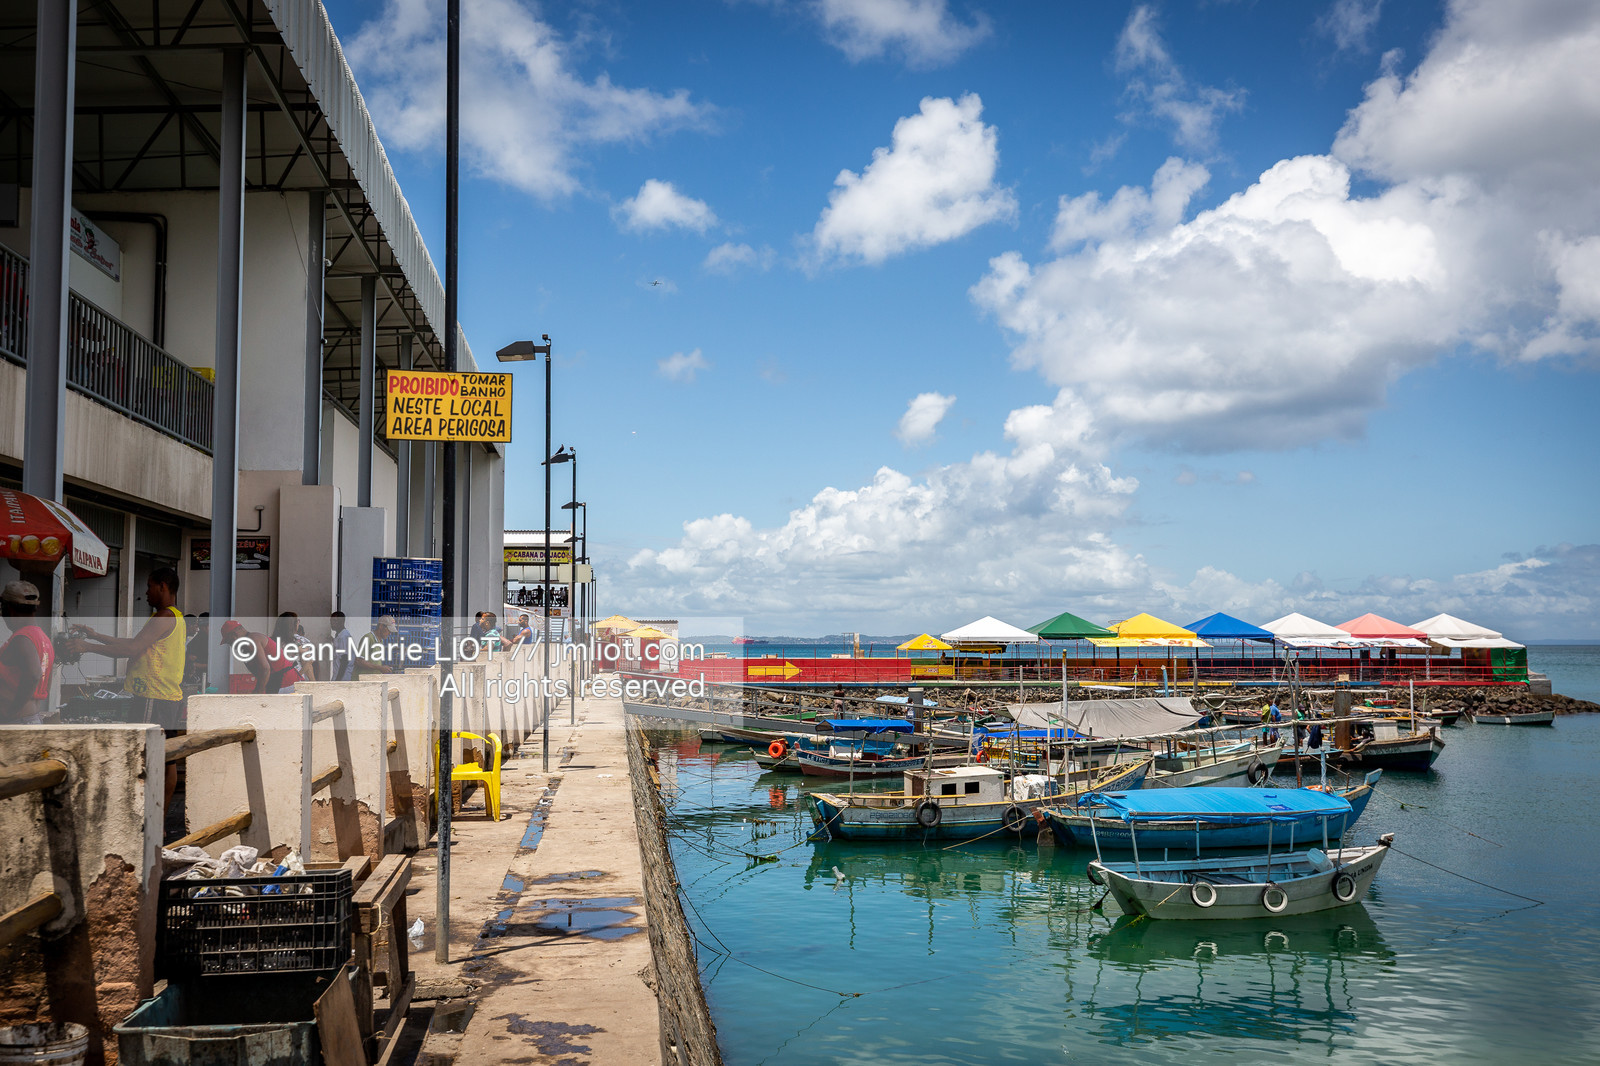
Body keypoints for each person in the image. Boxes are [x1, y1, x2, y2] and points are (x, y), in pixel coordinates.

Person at [72, 567, 186, 804]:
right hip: (167, 697)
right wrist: (94, 636)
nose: (145, 593)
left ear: (162, 587)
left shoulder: (164, 617)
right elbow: (135, 643)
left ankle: (152, 821)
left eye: (149, 586)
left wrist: (87, 647)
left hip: (152, 697)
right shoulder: (175, 616)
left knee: (148, 758)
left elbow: (131, 649)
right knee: (167, 760)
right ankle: (159, 825)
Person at [0, 581, 54, 724]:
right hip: (28, 718)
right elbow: (46, 679)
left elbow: (34, 674)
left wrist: (12, 711)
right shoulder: (42, 638)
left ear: (9, 608)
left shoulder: (22, 638)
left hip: (17, 721)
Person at [329, 611, 358, 682]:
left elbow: (344, 660)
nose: (332, 623)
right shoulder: (339, 635)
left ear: (341, 622)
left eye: (334, 621)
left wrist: (337, 680)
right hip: (338, 676)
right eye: (331, 621)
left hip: (343, 678)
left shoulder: (344, 636)